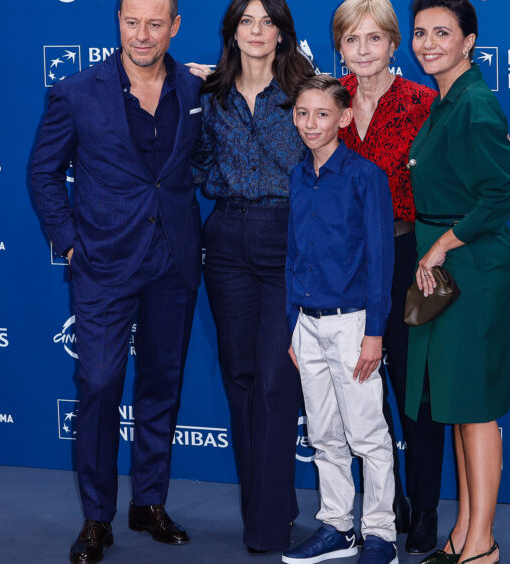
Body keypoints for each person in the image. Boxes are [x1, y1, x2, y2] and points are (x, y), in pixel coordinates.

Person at [29, 0, 203, 561]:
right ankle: (96, 517)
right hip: (103, 263)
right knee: (100, 384)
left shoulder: (194, 89)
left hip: (173, 261)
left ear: (175, 26)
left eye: (155, 23)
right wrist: (69, 241)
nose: (142, 34)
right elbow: (43, 172)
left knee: (161, 386)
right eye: (132, 22)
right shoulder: (76, 92)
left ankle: (149, 502)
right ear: (119, 23)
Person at [189, 0, 314, 554]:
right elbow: (195, 161)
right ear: (233, 31)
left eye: (268, 21)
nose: (257, 30)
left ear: (283, 33)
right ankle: (271, 505)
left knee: (275, 381)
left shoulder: (305, 92)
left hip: (287, 237)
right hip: (225, 240)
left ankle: (265, 524)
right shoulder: (210, 95)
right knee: (240, 379)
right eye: (247, 21)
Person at [406, 1, 510, 563]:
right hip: (451, 266)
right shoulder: (449, 98)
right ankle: (463, 531)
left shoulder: (474, 103)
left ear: (468, 40)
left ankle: (483, 544)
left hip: (472, 269)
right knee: (457, 403)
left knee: (475, 409)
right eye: (420, 33)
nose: (428, 43)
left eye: (442, 33)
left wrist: (442, 244)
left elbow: (504, 194)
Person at [332, 0, 444, 554]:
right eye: (352, 40)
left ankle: (425, 508)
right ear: (339, 48)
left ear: (395, 44)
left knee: (414, 394)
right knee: (363, 396)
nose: (363, 51)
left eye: (374, 38)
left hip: (406, 257)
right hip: (347, 263)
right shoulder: (329, 102)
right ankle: (387, 499)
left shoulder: (424, 103)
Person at [282, 75, 396, 564]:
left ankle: (381, 534)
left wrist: (374, 333)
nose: (311, 124)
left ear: (344, 118)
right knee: (324, 434)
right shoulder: (297, 175)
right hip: (306, 325)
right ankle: (336, 526)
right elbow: (293, 253)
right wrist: (292, 322)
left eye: (323, 114)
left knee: (367, 435)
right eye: (303, 113)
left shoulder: (365, 177)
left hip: (352, 324)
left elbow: (381, 260)